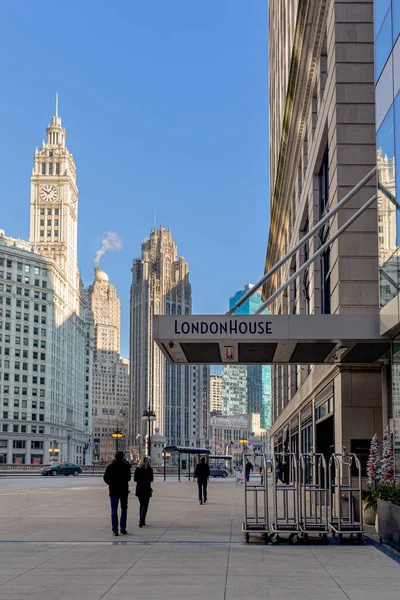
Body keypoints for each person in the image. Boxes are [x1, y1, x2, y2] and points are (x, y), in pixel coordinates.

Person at [103, 451, 131, 536]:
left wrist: (111, 484)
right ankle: (123, 528)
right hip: (123, 491)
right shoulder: (126, 467)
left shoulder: (110, 467)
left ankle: (115, 530)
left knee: (114, 510)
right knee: (124, 509)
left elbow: (105, 478)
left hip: (113, 491)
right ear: (123, 457)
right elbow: (129, 478)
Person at [134, 456, 154, 527]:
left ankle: (141, 519)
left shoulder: (137, 469)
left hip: (139, 488)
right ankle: (142, 520)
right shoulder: (150, 469)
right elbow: (151, 479)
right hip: (147, 489)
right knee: (145, 505)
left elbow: (135, 479)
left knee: (141, 505)